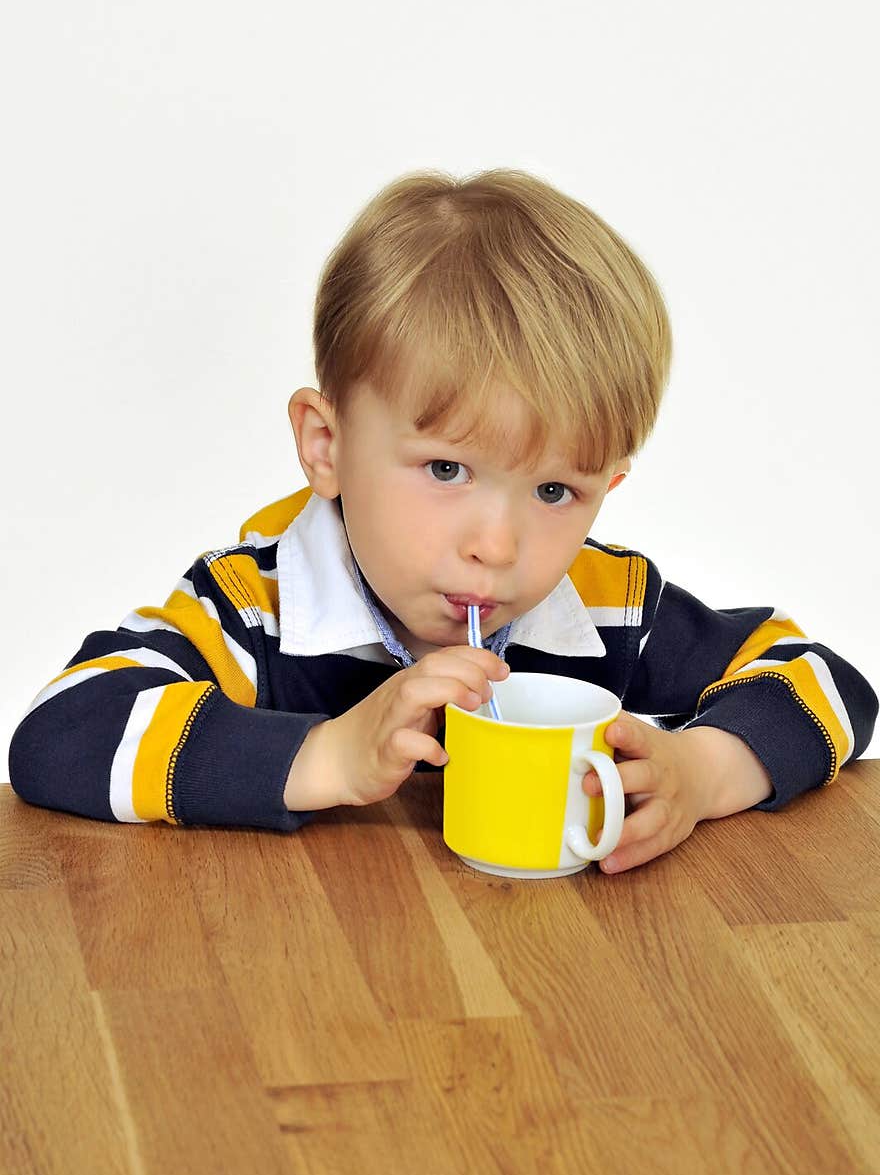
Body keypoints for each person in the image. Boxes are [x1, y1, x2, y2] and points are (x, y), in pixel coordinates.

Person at [8, 169, 877, 874]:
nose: (496, 547)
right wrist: (331, 755)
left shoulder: (608, 604)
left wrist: (701, 771)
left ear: (607, 486)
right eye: (447, 469)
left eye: (553, 492)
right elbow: (61, 733)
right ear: (326, 445)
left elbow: (830, 683)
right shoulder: (253, 607)